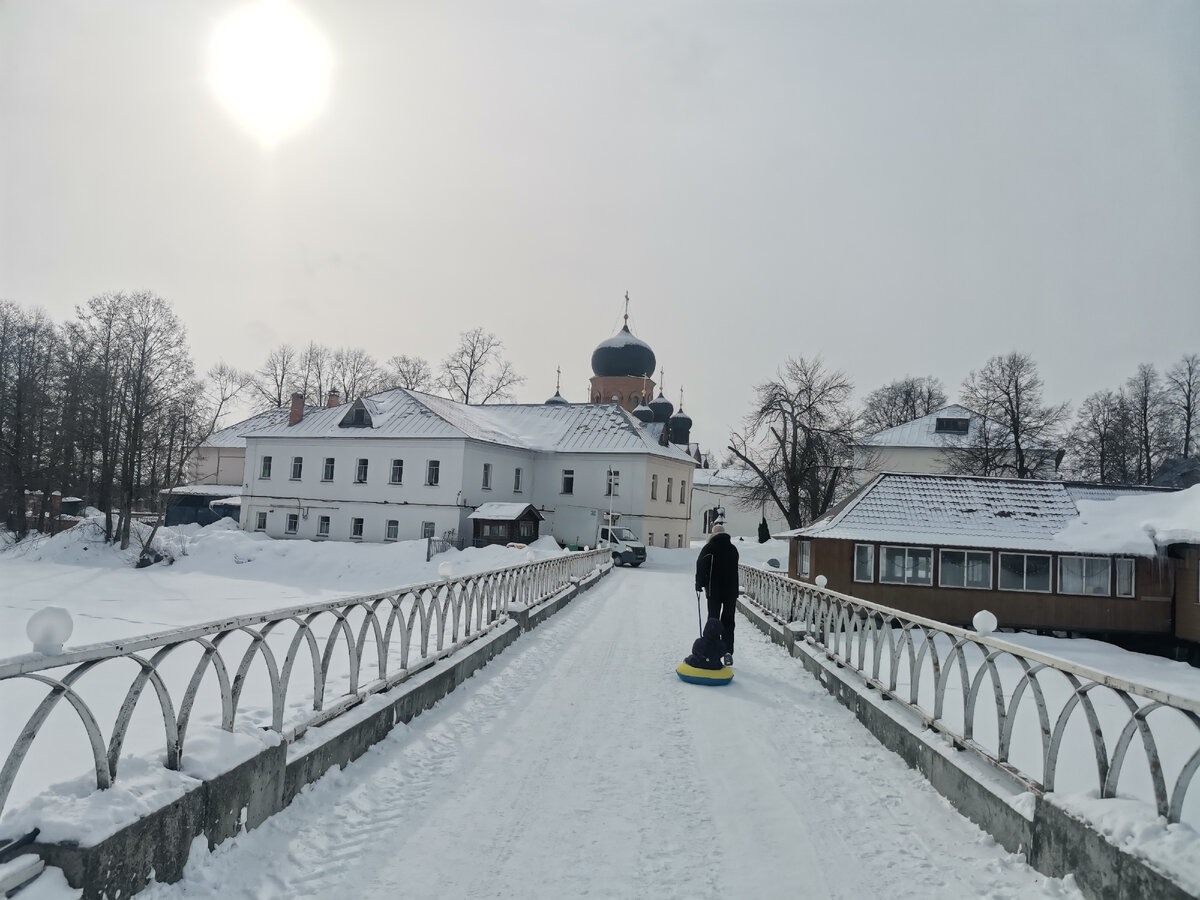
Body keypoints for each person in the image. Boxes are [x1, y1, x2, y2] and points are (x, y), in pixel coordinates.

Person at [695, 523, 739, 666]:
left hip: (714, 591)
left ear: (713, 535)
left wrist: (699, 583)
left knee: (713, 620)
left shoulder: (709, 548)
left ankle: (711, 651)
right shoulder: (733, 549)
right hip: (731, 592)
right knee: (728, 621)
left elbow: (701, 565)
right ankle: (727, 652)